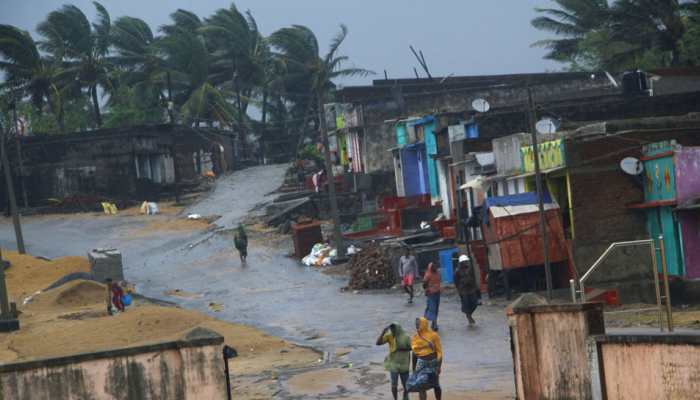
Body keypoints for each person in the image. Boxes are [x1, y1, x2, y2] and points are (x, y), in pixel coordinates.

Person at [376, 323, 412, 400]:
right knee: (394, 385)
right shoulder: (389, 336)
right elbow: (378, 343)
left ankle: (405, 397)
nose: (392, 331)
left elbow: (413, 348)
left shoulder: (406, 337)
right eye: (391, 329)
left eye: (394, 329)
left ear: (398, 329)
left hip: (404, 364)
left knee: (406, 385)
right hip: (393, 363)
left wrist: (401, 349)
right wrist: (383, 333)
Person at [410, 317, 443, 400]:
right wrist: (414, 369)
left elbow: (439, 352)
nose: (417, 325)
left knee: (436, 384)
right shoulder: (415, 337)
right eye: (416, 324)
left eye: (418, 323)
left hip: (432, 363)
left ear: (424, 324)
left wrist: (439, 366)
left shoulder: (434, 335)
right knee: (421, 386)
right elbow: (414, 353)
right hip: (420, 363)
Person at [454, 254, 480, 325]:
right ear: (460, 263)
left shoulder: (469, 269)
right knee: (466, 304)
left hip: (471, 289)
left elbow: (473, 277)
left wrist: (475, 286)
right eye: (464, 261)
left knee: (474, 303)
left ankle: (469, 314)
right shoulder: (457, 271)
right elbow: (456, 281)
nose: (465, 262)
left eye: (466, 261)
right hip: (463, 290)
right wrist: (459, 290)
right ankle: (468, 316)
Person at [423, 262, 441, 331]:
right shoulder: (428, 274)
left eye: (435, 266)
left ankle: (433, 323)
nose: (434, 268)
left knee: (435, 308)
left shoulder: (437, 273)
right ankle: (433, 324)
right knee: (432, 308)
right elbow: (424, 284)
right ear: (430, 267)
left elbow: (439, 281)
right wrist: (427, 289)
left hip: (437, 293)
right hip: (431, 293)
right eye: (433, 267)